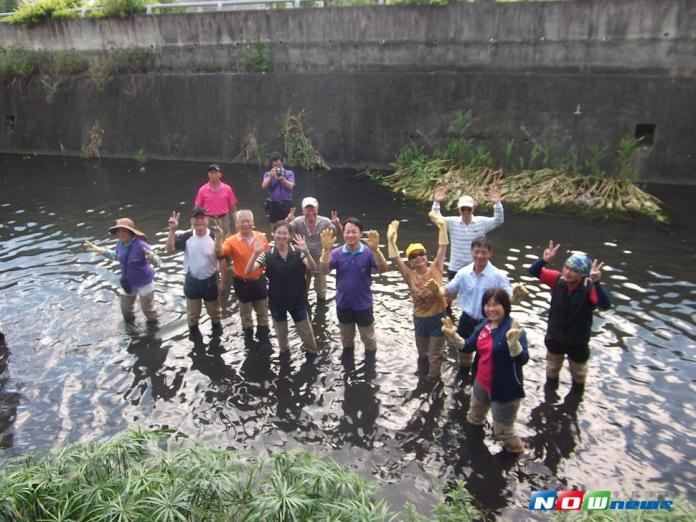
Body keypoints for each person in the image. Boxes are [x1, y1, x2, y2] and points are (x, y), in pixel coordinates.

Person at [440, 288, 529, 454]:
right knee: (474, 417)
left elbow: (522, 359)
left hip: (504, 389)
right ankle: (474, 449)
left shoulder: (513, 329)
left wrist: (514, 344)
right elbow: (468, 346)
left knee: (503, 431)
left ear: (505, 306)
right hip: (481, 382)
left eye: (496, 305)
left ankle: (517, 452)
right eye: (487, 305)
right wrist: (453, 336)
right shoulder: (484, 325)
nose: (491, 309)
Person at [426, 236, 525, 374]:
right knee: (464, 351)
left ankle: (481, 378)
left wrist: (516, 296)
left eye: (484, 252)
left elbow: (509, 299)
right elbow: (447, 290)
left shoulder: (498, 275)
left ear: (490, 253)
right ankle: (464, 375)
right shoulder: (464, 272)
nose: (479, 256)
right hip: (467, 319)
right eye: (476, 251)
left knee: (486, 354)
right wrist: (437, 290)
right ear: (471, 251)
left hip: (488, 321)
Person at [529, 241, 611, 395]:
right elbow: (533, 271)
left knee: (579, 377)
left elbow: (605, 305)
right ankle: (550, 398)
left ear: (583, 274)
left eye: (574, 270)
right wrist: (545, 260)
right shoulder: (556, 279)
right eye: (567, 267)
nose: (568, 272)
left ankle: (574, 402)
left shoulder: (589, 288)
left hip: (578, 342)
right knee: (552, 371)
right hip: (555, 338)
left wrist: (597, 282)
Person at [386, 211, 448, 378]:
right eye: (414, 256)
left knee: (436, 355)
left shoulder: (436, 268)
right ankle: (422, 377)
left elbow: (442, 247)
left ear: (426, 256)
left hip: (437, 317)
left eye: (421, 254)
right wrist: (390, 240)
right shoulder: (409, 275)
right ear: (410, 261)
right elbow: (395, 259)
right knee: (422, 354)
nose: (419, 257)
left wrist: (442, 227)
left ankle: (433, 381)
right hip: (420, 319)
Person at [245, 221, 318, 359]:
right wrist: (255, 254)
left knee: (307, 336)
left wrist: (306, 251)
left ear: (289, 235)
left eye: (285, 233)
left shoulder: (298, 252)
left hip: (298, 301)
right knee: (282, 339)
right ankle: (285, 357)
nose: (281, 236)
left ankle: (312, 356)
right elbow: (248, 271)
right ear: (273, 234)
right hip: (277, 303)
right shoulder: (267, 255)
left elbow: (313, 268)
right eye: (278, 233)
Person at [320, 218, 388, 360]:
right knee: (346, 339)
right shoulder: (337, 252)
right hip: (343, 303)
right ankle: (348, 367)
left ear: (360, 233)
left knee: (369, 339)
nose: (350, 235)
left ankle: (370, 366)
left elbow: (383, 269)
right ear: (343, 233)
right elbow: (324, 271)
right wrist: (326, 251)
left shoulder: (369, 252)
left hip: (363, 304)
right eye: (347, 232)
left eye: (354, 232)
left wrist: (377, 251)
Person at [84, 218, 159, 324]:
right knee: (125, 309)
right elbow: (116, 256)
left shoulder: (141, 245)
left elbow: (158, 261)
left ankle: (154, 330)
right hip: (128, 281)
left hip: (144, 282)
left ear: (130, 232)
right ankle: (131, 329)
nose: (120, 233)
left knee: (148, 310)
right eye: (118, 231)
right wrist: (101, 250)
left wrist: (152, 258)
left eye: (124, 231)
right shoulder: (120, 243)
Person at [166, 208, 224, 339]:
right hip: (192, 280)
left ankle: (217, 340)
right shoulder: (187, 236)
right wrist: (172, 231)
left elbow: (221, 256)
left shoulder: (214, 235)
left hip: (210, 281)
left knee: (215, 314)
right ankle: (195, 343)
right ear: (191, 221)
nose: (199, 221)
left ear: (207, 220)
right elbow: (169, 249)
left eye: (202, 218)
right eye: (196, 218)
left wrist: (222, 282)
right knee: (192, 316)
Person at [430, 185, 504, 279]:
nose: (466, 211)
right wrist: (436, 202)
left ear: (473, 209)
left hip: (475, 268)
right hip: (455, 268)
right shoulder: (451, 222)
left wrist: (497, 204)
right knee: (451, 293)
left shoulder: (482, 222)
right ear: (458, 209)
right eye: (463, 208)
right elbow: (435, 218)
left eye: (468, 209)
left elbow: (498, 220)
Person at [220, 210, 270, 343]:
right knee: (246, 316)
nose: (246, 224)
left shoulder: (261, 237)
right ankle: (249, 342)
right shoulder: (230, 241)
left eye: (248, 221)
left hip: (259, 280)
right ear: (237, 224)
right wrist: (218, 237)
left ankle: (264, 340)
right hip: (242, 282)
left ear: (253, 222)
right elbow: (219, 253)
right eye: (242, 221)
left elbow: (267, 258)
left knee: (263, 314)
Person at [286, 196, 343, 302]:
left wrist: (337, 224)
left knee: (321, 293)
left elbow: (340, 234)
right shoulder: (297, 222)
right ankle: (304, 310)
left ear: (317, 209)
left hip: (319, 262)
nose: (310, 212)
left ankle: (321, 313)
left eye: (312, 208)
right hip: (302, 261)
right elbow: (283, 233)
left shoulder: (325, 222)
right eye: (307, 209)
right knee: (302, 292)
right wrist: (287, 221)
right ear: (303, 210)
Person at [194, 163, 238, 240]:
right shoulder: (202, 190)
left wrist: (237, 221)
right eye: (211, 172)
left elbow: (232, 207)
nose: (213, 175)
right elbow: (197, 208)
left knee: (225, 240)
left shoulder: (227, 189)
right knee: (208, 239)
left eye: (216, 172)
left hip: (224, 218)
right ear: (208, 174)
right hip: (208, 219)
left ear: (220, 174)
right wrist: (193, 224)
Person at [262, 152, 295, 224]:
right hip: (273, 204)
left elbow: (291, 186)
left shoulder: (289, 173)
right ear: (272, 165)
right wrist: (270, 177)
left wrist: (282, 179)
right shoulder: (268, 174)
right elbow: (263, 186)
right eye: (275, 165)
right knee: (274, 227)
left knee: (288, 225)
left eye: (279, 165)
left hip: (286, 204)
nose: (277, 167)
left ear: (282, 163)